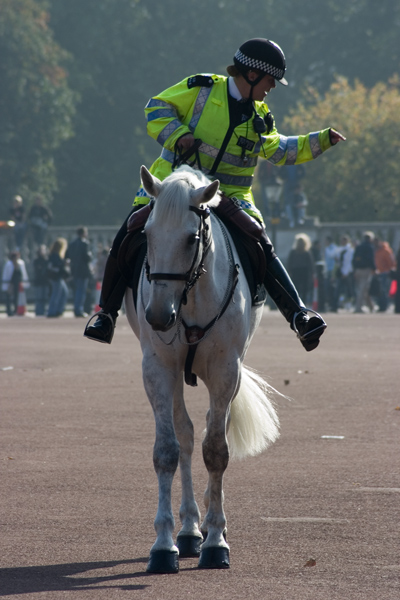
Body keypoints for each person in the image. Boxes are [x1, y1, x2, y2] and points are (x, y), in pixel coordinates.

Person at [85, 38, 345, 351]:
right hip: (173, 186)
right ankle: (106, 315)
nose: (272, 87)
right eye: (270, 80)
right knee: (127, 234)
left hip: (228, 194)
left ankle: (299, 315)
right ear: (251, 75)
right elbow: (156, 108)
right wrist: (179, 135)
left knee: (260, 241)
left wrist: (322, 140)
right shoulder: (201, 89)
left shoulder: (261, 117)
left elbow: (281, 152)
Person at [65, 226, 93, 317]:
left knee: (77, 291)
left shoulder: (72, 244)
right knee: (81, 291)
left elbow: (68, 256)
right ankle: (79, 310)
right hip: (83, 271)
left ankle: (76, 308)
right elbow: (87, 257)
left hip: (74, 270)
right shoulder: (85, 243)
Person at [287, 234, 315, 306]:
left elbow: (310, 264)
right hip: (295, 271)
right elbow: (290, 262)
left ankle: (303, 303)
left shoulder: (307, 252)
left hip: (304, 272)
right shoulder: (293, 252)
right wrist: (289, 272)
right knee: (296, 288)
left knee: (305, 289)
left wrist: (312, 273)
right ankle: (296, 303)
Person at [352, 231, 376, 313]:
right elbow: (371, 259)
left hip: (358, 270)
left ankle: (371, 306)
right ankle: (358, 307)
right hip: (366, 270)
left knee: (363, 289)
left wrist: (354, 269)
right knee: (362, 290)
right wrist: (374, 269)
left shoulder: (359, 247)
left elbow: (354, 259)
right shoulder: (370, 247)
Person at [1, 250, 30, 316]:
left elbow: (23, 273)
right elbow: (6, 275)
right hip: (10, 284)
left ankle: (16, 310)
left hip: (18, 284)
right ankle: (9, 311)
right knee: (8, 297)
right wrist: (7, 284)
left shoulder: (20, 263)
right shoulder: (8, 264)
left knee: (17, 297)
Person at [47, 238, 69, 318]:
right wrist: (63, 264)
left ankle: (58, 310)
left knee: (64, 292)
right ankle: (52, 311)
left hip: (57, 277)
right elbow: (56, 266)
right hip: (56, 277)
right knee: (56, 294)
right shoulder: (54, 255)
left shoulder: (55, 254)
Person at [373, 237, 396, 312]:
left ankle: (384, 306)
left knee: (384, 290)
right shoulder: (377, 251)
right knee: (380, 291)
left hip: (385, 273)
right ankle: (381, 306)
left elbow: (392, 262)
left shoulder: (386, 251)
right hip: (379, 272)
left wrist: (388, 270)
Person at [335, 235, 354, 311]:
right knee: (339, 289)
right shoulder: (340, 249)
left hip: (347, 272)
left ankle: (349, 304)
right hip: (340, 272)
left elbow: (348, 262)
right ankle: (338, 304)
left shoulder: (349, 250)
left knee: (349, 289)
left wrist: (345, 273)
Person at [32, 244, 50, 316]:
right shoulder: (36, 260)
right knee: (39, 297)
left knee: (44, 297)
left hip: (45, 281)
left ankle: (43, 311)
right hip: (39, 281)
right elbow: (37, 270)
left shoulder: (46, 260)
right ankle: (38, 311)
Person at [324, 235, 339, 311]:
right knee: (329, 289)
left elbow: (331, 256)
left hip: (333, 271)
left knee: (333, 289)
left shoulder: (334, 248)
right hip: (329, 271)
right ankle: (331, 305)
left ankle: (334, 305)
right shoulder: (329, 248)